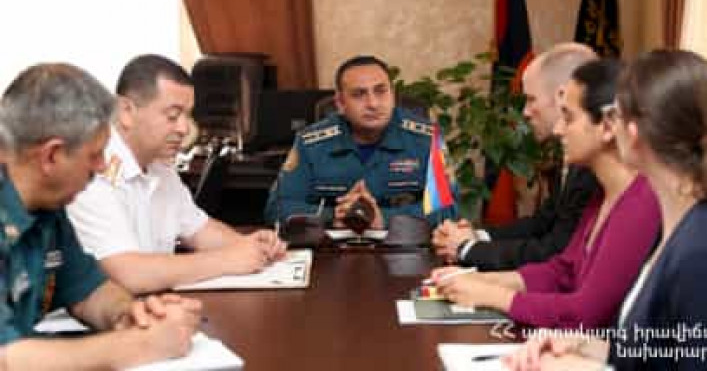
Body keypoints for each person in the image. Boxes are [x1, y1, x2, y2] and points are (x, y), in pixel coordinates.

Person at [505, 50, 707, 370]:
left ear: (632, 131)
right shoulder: (681, 222)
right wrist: (587, 346)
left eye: (614, 115)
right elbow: (665, 351)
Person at [429, 59, 661, 329]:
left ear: (608, 127)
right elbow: (563, 271)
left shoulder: (640, 203)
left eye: (569, 118)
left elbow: (584, 314)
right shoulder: (602, 194)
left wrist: (494, 295)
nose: (558, 129)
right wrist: (483, 280)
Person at [0, 63, 200, 369]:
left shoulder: (48, 207)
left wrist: (129, 314)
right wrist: (141, 345)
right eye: (94, 156)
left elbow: (89, 292)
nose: (102, 167)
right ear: (51, 155)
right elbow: (6, 359)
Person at [67, 55, 286, 294]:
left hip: (153, 306)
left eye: (187, 116)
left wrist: (250, 246)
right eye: (172, 116)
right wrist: (228, 260)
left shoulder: (160, 167)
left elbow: (200, 230)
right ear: (126, 111)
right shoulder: (91, 171)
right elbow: (127, 273)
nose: (183, 128)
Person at [432, 43, 601, 270]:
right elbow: (543, 223)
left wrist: (467, 249)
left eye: (531, 99)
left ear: (562, 96)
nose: (525, 112)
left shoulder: (591, 165)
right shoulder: (571, 154)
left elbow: (556, 251)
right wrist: (476, 236)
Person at [264, 55, 458, 229]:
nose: (373, 104)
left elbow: (449, 209)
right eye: (359, 94)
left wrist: (383, 218)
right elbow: (277, 209)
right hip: (333, 250)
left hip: (405, 247)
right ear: (340, 103)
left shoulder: (426, 139)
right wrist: (334, 216)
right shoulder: (311, 143)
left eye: (381, 91)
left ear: (393, 95)